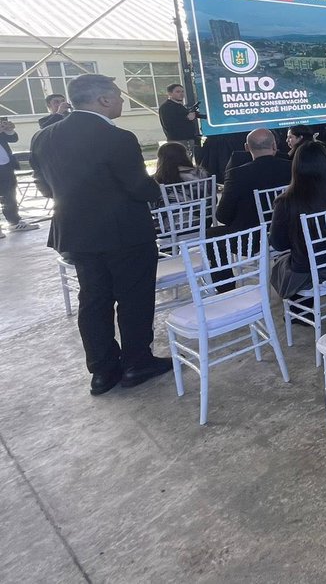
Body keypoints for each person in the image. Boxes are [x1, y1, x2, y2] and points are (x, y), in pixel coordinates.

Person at [30, 74, 169, 394]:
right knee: (134, 298)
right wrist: (155, 187)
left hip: (76, 234)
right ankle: (137, 363)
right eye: (118, 96)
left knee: (93, 300)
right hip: (125, 234)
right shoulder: (118, 138)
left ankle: (102, 371)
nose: (122, 101)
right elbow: (140, 188)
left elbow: (45, 188)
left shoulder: (43, 138)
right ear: (103, 100)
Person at [268, 141, 326, 298]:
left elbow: (278, 243)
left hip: (314, 269)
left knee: (279, 265)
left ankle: (299, 312)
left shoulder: (287, 201)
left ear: (296, 167)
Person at [213, 128, 291, 232]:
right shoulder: (292, 167)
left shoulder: (236, 174)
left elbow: (223, 215)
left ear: (246, 148)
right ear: (274, 145)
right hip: (287, 228)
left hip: (251, 234)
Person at [0, 117, 38, 235]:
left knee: (10, 194)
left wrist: (8, 130)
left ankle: (14, 222)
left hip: (5, 165)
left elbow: (13, 139)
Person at [157, 83, 199, 149]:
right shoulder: (166, 107)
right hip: (178, 141)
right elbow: (169, 124)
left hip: (188, 140)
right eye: (178, 92)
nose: (181, 94)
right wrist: (187, 118)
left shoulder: (180, 106)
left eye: (182, 91)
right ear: (170, 93)